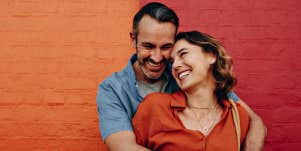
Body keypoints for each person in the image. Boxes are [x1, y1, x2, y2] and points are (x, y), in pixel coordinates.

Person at [96, 2, 266, 151]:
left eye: (166, 47)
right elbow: (123, 147)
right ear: (133, 40)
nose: (156, 57)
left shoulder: (186, 74)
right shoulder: (113, 89)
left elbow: (254, 121)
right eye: (148, 46)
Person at [132, 31, 251, 151]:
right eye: (172, 61)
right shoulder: (155, 106)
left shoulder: (238, 116)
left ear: (211, 56)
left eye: (183, 54)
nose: (175, 65)